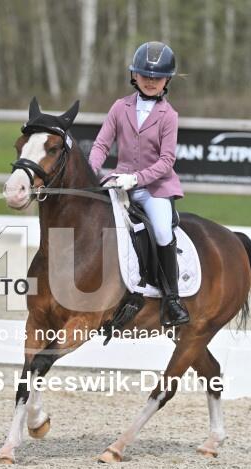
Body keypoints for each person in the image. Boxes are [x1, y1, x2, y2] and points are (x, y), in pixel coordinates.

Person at [88, 40, 189, 327]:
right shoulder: (119, 107)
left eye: (157, 77)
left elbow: (167, 160)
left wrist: (137, 179)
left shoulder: (169, 116)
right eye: (145, 75)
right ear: (134, 75)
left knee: (161, 230)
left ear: (167, 80)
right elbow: (101, 145)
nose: (150, 81)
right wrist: (91, 172)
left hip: (154, 187)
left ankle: (172, 298)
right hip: (119, 182)